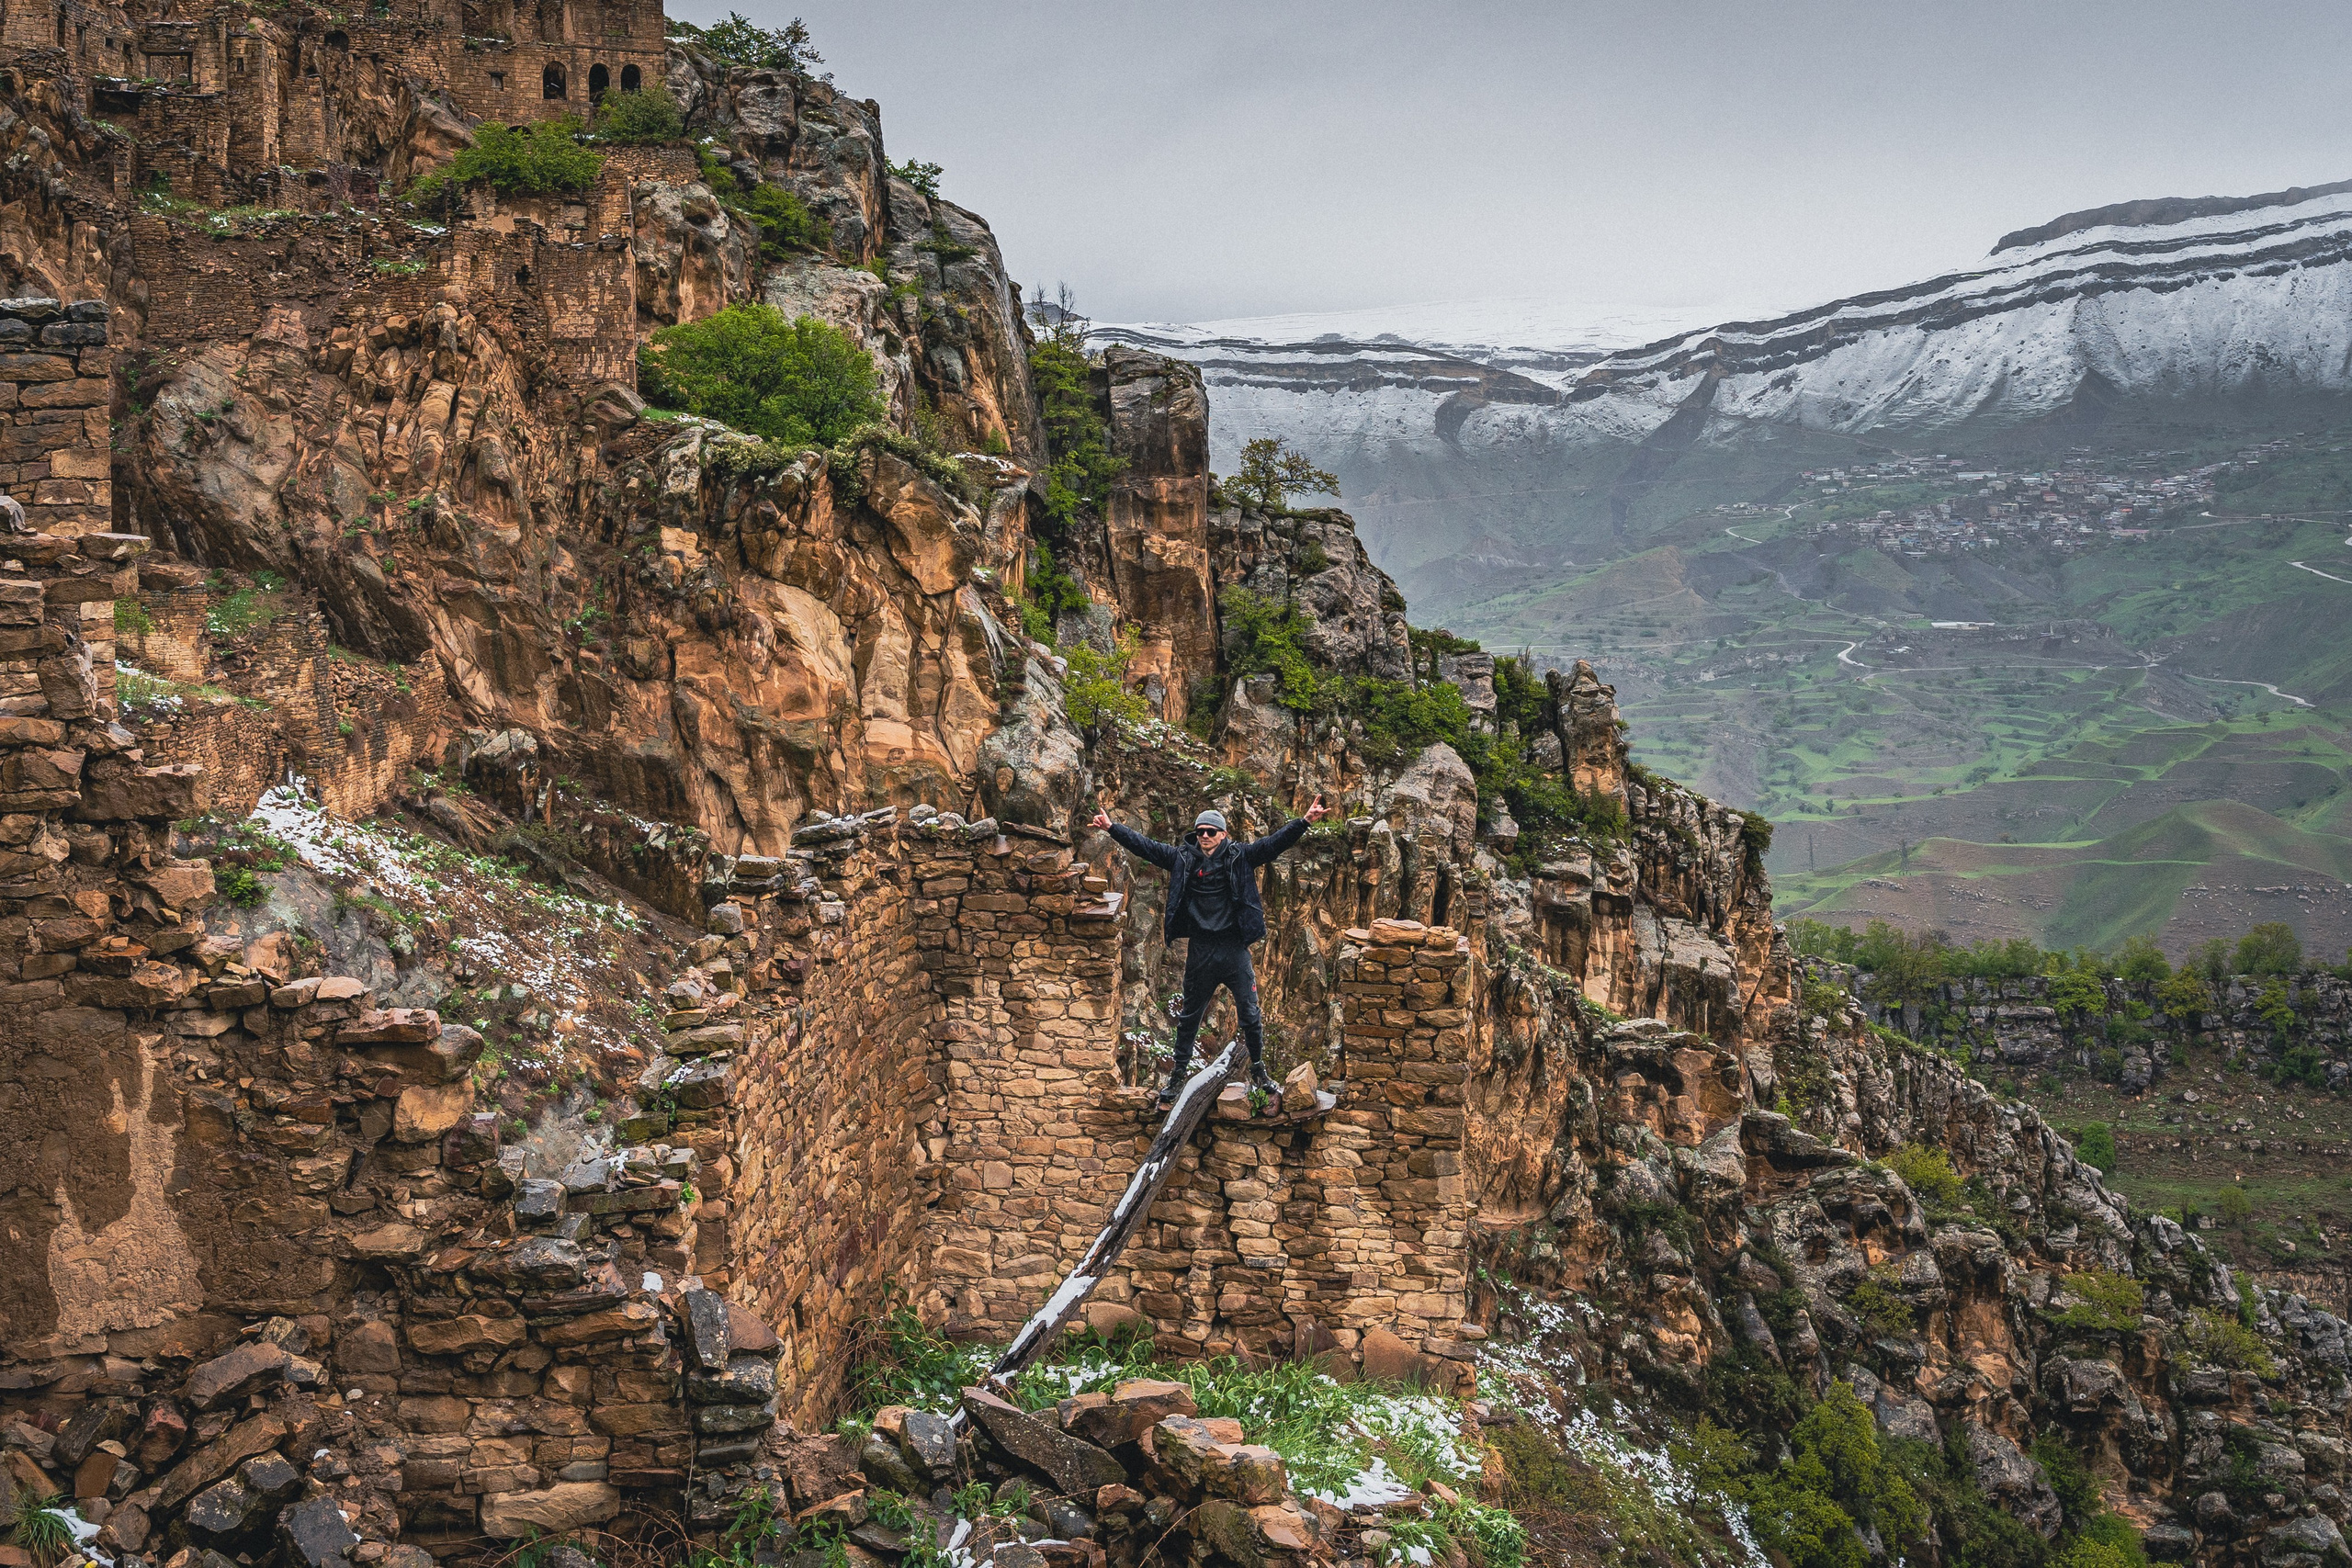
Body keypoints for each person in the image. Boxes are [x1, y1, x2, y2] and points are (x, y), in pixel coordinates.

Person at [1089, 795, 1331, 1109]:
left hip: (1234, 950)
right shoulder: (1183, 858)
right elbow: (1146, 846)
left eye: (1211, 831)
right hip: (1201, 950)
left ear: (1223, 834)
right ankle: (1178, 1076)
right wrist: (1112, 827)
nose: (1204, 835)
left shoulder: (1240, 856)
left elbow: (1273, 844)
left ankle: (1259, 1072)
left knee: (1250, 1014)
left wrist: (1305, 821)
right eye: (1200, 831)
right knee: (1189, 1017)